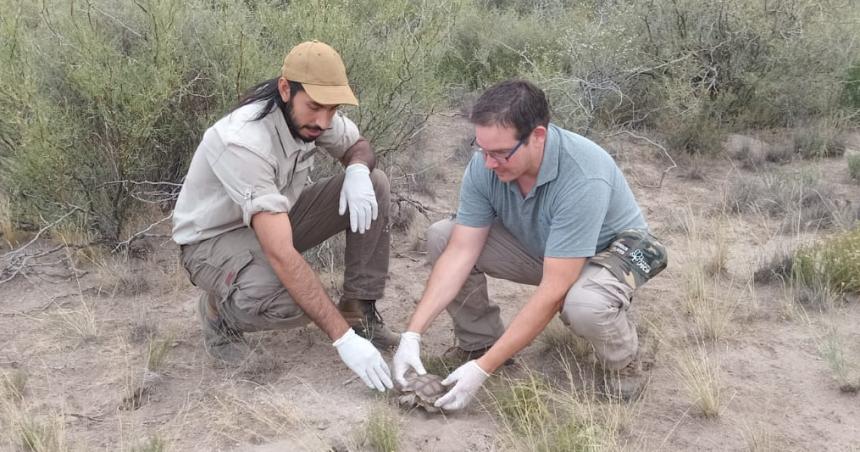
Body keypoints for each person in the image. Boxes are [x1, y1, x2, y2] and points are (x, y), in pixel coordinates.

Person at [392, 80, 667, 409]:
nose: (489, 163)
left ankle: (624, 361)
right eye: (482, 150)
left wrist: (483, 371)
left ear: (537, 136)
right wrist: (412, 334)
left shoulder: (583, 174)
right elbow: (461, 251)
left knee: (584, 304)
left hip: (616, 251)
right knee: (442, 235)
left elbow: (553, 291)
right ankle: (480, 342)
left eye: (499, 153)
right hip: (551, 247)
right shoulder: (486, 166)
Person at [172, 40, 398, 392]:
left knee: (375, 183)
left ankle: (359, 312)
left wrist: (355, 169)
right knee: (298, 303)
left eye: (333, 109)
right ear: (284, 89)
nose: (324, 121)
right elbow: (281, 253)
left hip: (275, 218)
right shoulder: (244, 140)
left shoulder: (314, 115)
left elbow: (359, 146)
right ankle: (218, 313)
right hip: (212, 242)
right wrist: (341, 340)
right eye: (315, 108)